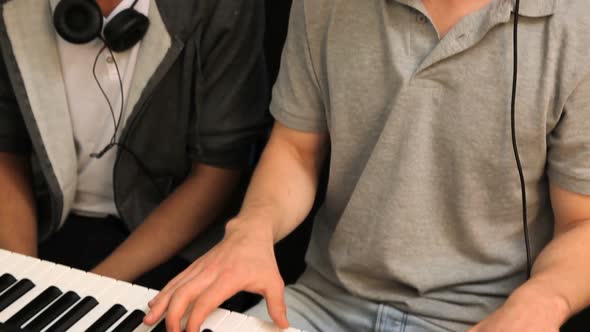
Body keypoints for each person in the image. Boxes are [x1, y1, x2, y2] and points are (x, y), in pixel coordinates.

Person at [145, 0, 590, 331]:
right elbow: (296, 150)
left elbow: (582, 223)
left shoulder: (578, 23)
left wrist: (545, 300)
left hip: (480, 320)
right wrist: (252, 229)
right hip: (320, 306)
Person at [0, 0, 267, 289]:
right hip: (40, 224)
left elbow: (216, 172)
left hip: (168, 242)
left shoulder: (222, 8)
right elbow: (6, 148)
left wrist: (87, 294)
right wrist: (24, 281)